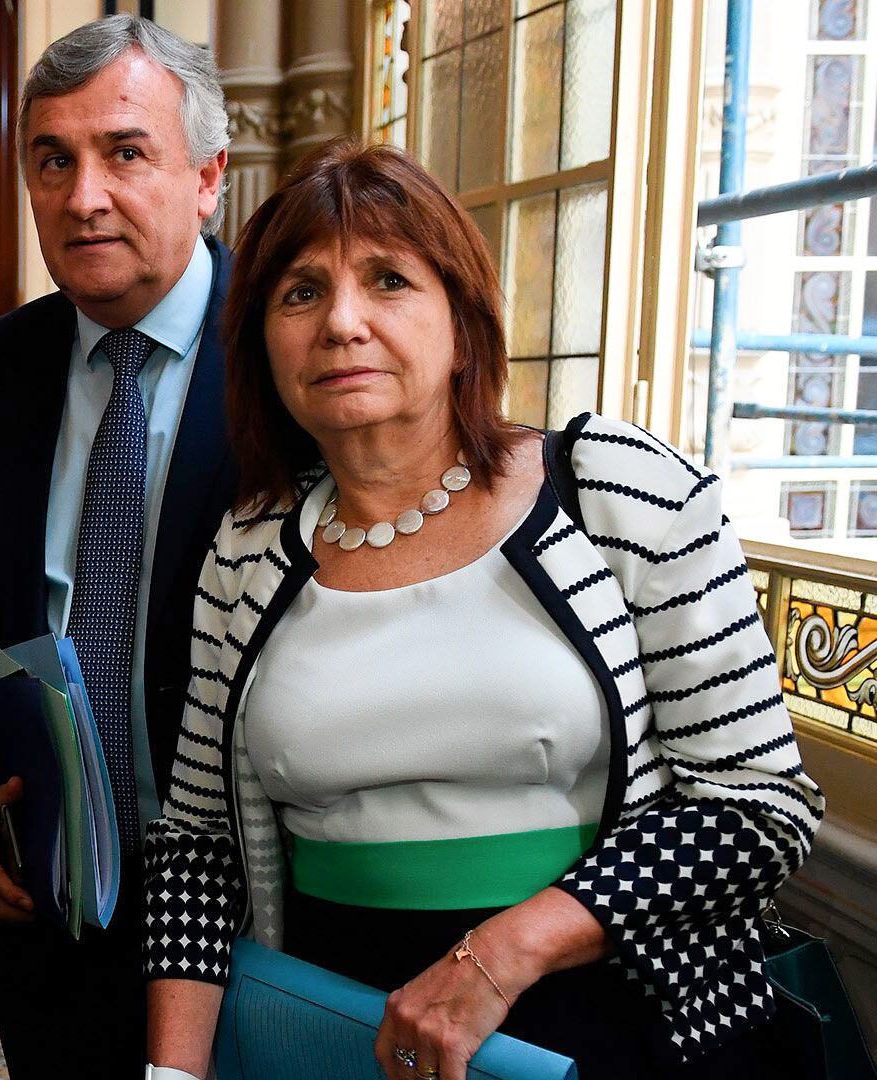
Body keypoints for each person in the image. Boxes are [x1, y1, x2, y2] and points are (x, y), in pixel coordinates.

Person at [144, 139, 826, 1080]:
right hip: (337, 1025)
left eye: (389, 280)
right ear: (261, 340)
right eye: (299, 293)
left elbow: (760, 807)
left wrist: (495, 960)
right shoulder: (250, 546)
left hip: (611, 1017)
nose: (342, 322)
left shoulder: (616, 492)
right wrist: (173, 1075)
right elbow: (198, 845)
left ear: (464, 318)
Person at [0, 16, 239, 1077]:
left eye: (125, 151)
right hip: (49, 901)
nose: (82, 195)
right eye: (52, 161)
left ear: (208, 177)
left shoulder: (293, 358)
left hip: (254, 911)